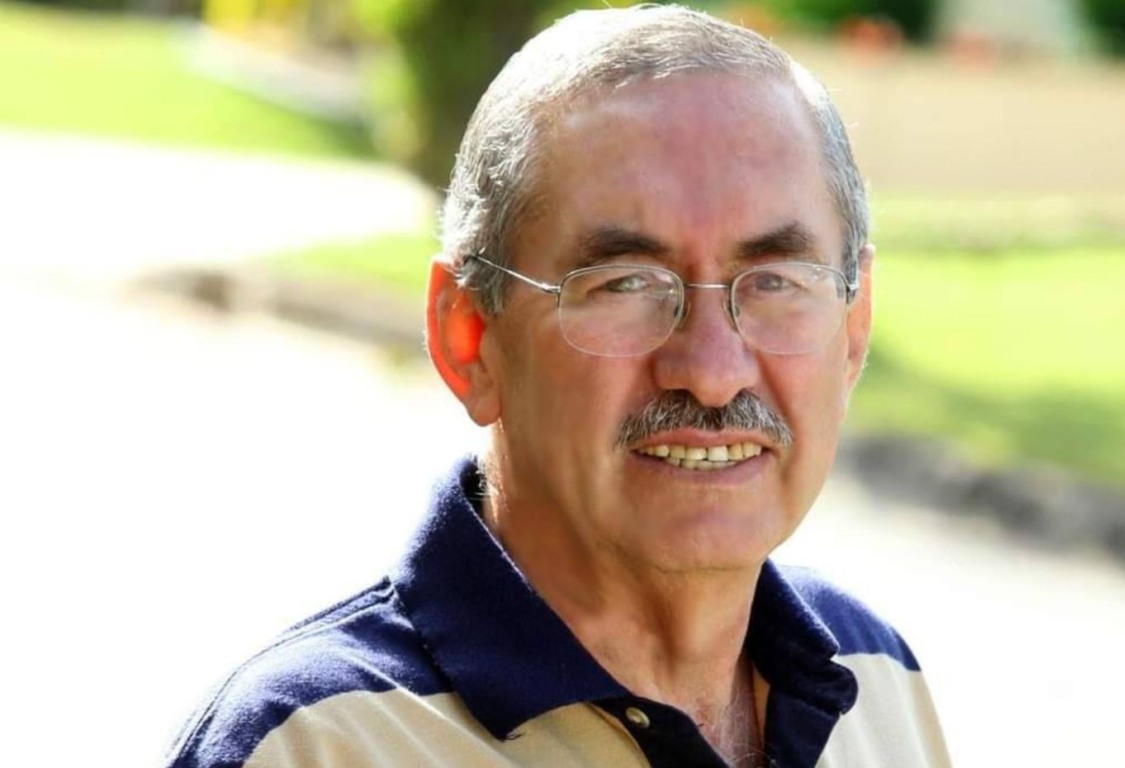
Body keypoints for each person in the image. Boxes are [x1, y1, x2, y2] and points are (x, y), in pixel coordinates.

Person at [164, 5, 951, 767]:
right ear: (469, 337)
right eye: (625, 284)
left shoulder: (877, 677)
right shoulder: (314, 748)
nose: (712, 374)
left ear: (853, 327)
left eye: (776, 281)